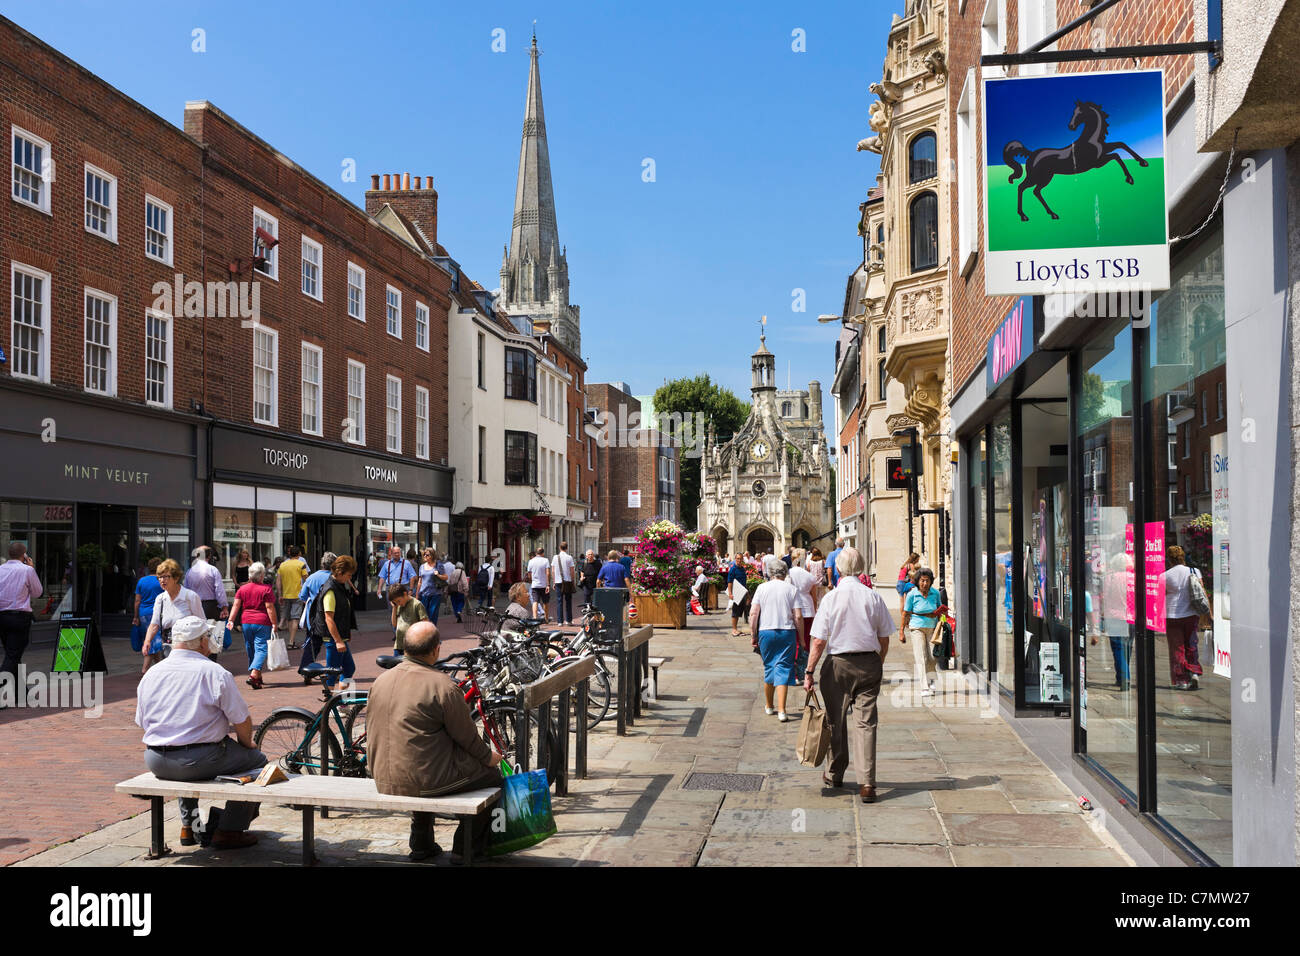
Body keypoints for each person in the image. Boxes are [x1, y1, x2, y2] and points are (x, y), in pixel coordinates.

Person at [366, 621, 503, 861]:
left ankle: (421, 843)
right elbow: (467, 736)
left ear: (405, 648)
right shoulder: (443, 686)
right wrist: (489, 758)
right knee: (493, 779)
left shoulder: (379, 682)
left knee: (424, 762)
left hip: (383, 777)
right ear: (436, 650)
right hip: (422, 779)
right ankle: (465, 849)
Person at [136, 615, 267, 849]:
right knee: (259, 763)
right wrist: (247, 744)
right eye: (207, 637)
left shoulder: (152, 673)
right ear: (202, 642)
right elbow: (241, 719)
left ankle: (191, 827)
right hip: (199, 759)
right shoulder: (214, 672)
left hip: (155, 759)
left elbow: (142, 722)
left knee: (188, 762)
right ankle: (229, 830)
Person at [804, 547, 894, 804]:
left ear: (840, 569)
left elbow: (819, 640)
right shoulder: (873, 597)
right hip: (868, 662)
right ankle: (867, 783)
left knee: (835, 720)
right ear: (862, 568)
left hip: (837, 664)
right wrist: (878, 662)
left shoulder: (831, 599)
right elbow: (884, 638)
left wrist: (809, 671)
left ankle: (835, 773)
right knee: (866, 724)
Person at [749, 564, 802, 722]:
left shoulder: (762, 588)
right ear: (784, 573)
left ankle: (769, 705)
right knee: (784, 668)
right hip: (787, 632)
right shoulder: (791, 589)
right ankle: (782, 710)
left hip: (766, 631)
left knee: (769, 667)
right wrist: (802, 638)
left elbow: (753, 613)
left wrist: (753, 635)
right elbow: (798, 616)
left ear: (769, 573)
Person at [143, 559, 206, 669]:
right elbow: (154, 624)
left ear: (176, 578)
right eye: (160, 577)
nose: (162, 580)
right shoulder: (160, 599)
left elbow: (202, 622)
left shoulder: (190, 596)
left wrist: (204, 646)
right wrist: (147, 641)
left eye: (166, 576)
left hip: (188, 645)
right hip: (168, 644)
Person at [312, 554, 358, 691]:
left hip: (339, 636)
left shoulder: (339, 586)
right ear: (339, 572)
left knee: (349, 668)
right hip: (333, 638)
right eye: (348, 575)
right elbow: (329, 618)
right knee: (332, 673)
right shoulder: (331, 589)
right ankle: (330, 706)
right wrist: (338, 640)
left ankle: (339, 701)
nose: (349, 578)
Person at [228, 562, 278, 690]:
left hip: (246, 622)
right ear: (261, 575)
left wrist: (231, 620)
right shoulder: (266, 589)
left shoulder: (242, 589)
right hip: (262, 622)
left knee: (250, 648)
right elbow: (269, 608)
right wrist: (274, 623)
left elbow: (236, 605)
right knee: (261, 648)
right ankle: (254, 674)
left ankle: (257, 676)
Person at [0, 541, 42, 689]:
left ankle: (21, 693)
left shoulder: (0, 569)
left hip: (2, 617)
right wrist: (31, 569)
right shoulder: (27, 570)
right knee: (12, 656)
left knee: (13, 654)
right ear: (24, 555)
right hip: (19, 618)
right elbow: (38, 592)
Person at [1163, 544, 1204, 691]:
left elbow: (1160, 596)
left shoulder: (1165, 575)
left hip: (1172, 615)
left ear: (1169, 559)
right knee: (1191, 644)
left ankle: (1182, 680)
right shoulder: (1194, 571)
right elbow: (1201, 591)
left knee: (1177, 648)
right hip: (1191, 614)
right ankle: (1194, 672)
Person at [295, 551, 336, 674]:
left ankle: (306, 669)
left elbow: (302, 596)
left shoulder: (312, 577)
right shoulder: (334, 578)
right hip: (331, 616)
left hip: (313, 618)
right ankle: (334, 671)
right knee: (332, 644)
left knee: (312, 646)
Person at [1100, 551, 1134, 692]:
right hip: (1131, 617)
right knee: (1128, 647)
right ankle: (1121, 676)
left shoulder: (1110, 578)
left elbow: (1105, 597)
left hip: (1113, 616)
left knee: (1117, 648)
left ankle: (1123, 676)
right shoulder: (1133, 578)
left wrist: (1102, 614)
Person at [131, 558, 165, 672]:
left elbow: (137, 601)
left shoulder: (141, 581)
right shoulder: (161, 581)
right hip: (156, 614)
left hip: (143, 614)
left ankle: (160, 668)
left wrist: (136, 617)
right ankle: (145, 669)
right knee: (152, 642)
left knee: (152, 640)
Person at [787, 548, 817, 684]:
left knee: (794, 642)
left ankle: (794, 674)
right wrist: (815, 610)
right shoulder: (809, 576)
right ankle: (802, 671)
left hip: (792, 610)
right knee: (805, 642)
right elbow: (814, 596)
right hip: (808, 610)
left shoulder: (788, 574)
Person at [273, 545, 308, 650]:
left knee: (288, 618)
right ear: (299, 554)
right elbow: (306, 580)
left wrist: (280, 594)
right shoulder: (301, 564)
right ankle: (291, 641)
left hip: (285, 594)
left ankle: (291, 640)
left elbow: (278, 581)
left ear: (289, 554)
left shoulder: (283, 565)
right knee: (295, 618)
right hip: (297, 594)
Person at [184, 546, 229, 624]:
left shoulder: (189, 572)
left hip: (193, 606)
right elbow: (219, 591)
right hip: (209, 607)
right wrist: (224, 607)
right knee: (211, 633)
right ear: (209, 556)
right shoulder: (213, 570)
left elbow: (185, 591)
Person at [901, 568, 940, 646]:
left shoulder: (935, 593)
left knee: (933, 657)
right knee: (921, 656)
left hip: (932, 627)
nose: (925, 583)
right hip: (917, 627)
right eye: (922, 580)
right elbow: (905, 614)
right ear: (918, 581)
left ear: (931, 582)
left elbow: (940, 609)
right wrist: (901, 631)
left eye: (927, 581)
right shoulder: (912, 594)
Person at [389, 583, 429, 653]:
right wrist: (394, 608)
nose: (398, 604)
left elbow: (425, 624)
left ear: (405, 594)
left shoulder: (417, 604)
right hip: (399, 645)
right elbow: (394, 624)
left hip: (412, 645)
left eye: (398, 601)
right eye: (395, 602)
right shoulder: (398, 606)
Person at [377, 546, 418, 610]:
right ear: (392, 553)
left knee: (403, 608)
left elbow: (412, 576)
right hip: (390, 588)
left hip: (403, 588)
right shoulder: (387, 564)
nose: (397, 554)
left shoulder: (407, 563)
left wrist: (411, 589)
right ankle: (394, 620)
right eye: (395, 553)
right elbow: (382, 577)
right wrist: (379, 589)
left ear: (400, 553)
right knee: (391, 608)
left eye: (398, 553)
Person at [417, 549, 446, 623]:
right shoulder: (422, 567)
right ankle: (425, 632)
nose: (425, 556)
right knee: (423, 615)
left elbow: (445, 577)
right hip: (424, 594)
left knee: (433, 615)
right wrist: (417, 595)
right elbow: (419, 582)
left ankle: (432, 632)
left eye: (427, 555)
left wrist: (438, 575)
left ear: (432, 555)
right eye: (424, 554)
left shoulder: (438, 565)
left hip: (435, 594)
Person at [551, 542, 576, 624]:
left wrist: (554, 582)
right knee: (568, 601)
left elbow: (553, 571)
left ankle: (559, 621)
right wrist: (573, 581)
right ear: (567, 548)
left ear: (559, 547)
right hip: (567, 581)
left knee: (559, 601)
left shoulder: (555, 557)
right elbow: (572, 571)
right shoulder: (569, 557)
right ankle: (569, 620)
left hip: (558, 581)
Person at [727, 555, 749, 637]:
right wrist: (730, 593)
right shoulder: (733, 569)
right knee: (735, 611)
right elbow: (730, 581)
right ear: (735, 559)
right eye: (738, 558)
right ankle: (734, 630)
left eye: (741, 559)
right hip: (736, 592)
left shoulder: (742, 569)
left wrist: (748, 595)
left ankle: (736, 629)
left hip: (742, 591)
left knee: (740, 611)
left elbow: (744, 582)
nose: (739, 560)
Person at [527, 546, 552, 621]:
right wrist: (548, 584)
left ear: (536, 553)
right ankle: (546, 618)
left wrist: (532, 581)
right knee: (546, 602)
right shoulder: (546, 560)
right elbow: (548, 573)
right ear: (543, 553)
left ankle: (535, 617)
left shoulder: (531, 561)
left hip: (535, 585)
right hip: (544, 585)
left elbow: (529, 573)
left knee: (535, 601)